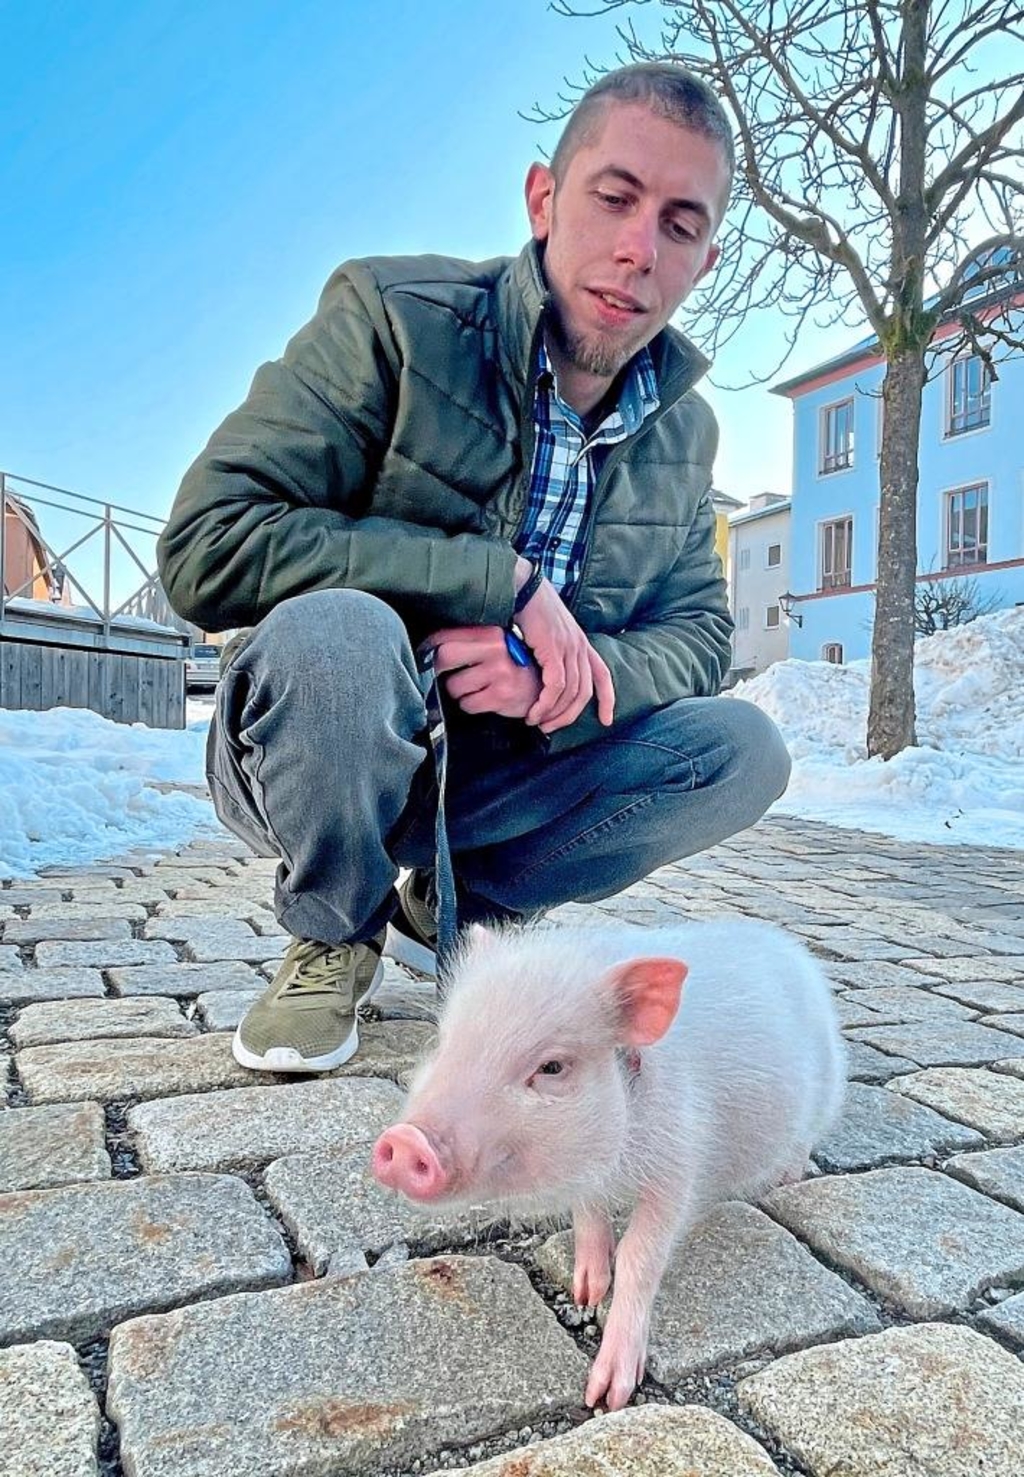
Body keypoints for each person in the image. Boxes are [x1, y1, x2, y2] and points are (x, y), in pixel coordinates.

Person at [158, 62, 791, 1076]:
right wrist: (496, 583)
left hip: (508, 774)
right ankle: (335, 927)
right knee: (341, 632)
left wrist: (568, 677)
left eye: (678, 223)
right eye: (614, 197)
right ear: (544, 198)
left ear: (704, 257)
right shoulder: (392, 316)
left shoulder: (685, 429)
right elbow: (208, 543)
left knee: (743, 747)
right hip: (331, 735)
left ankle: (464, 899)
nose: (638, 247)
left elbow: (701, 636)